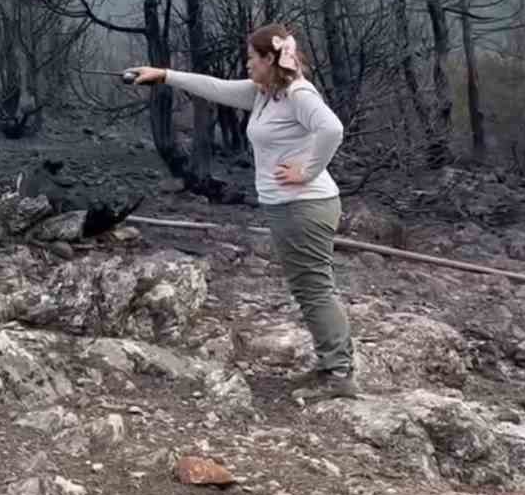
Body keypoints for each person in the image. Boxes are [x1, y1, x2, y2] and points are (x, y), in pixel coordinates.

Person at [125, 24, 357, 401]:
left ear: (270, 59)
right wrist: (164, 75)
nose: (247, 63)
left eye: (252, 57)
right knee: (307, 287)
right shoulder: (266, 94)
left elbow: (332, 128)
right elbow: (214, 87)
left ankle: (340, 373)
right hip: (289, 207)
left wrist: (307, 169)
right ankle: (331, 365)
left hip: (306, 206)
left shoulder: (298, 94)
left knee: (314, 289)